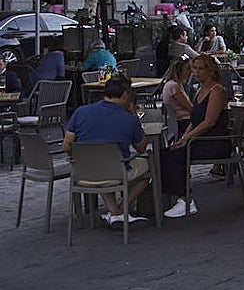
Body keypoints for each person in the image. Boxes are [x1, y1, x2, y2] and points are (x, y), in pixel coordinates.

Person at [62, 77, 149, 225]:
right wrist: (134, 116)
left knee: (99, 162)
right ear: (125, 95)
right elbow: (140, 148)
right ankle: (121, 210)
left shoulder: (80, 112)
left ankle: (115, 212)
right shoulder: (129, 119)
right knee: (148, 171)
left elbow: (66, 146)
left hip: (84, 172)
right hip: (115, 170)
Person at [159, 54, 231, 218]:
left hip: (214, 142)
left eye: (200, 69)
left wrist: (187, 138)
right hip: (199, 139)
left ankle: (186, 199)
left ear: (210, 70)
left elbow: (209, 122)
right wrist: (183, 138)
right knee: (165, 153)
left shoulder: (216, 91)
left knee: (177, 155)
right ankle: (172, 195)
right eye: (194, 69)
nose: (196, 72)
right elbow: (194, 119)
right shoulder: (199, 91)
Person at [160, 56, 194, 141]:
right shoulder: (174, 87)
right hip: (183, 121)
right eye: (188, 69)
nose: (191, 72)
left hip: (178, 121)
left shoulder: (174, 84)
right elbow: (190, 108)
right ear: (180, 71)